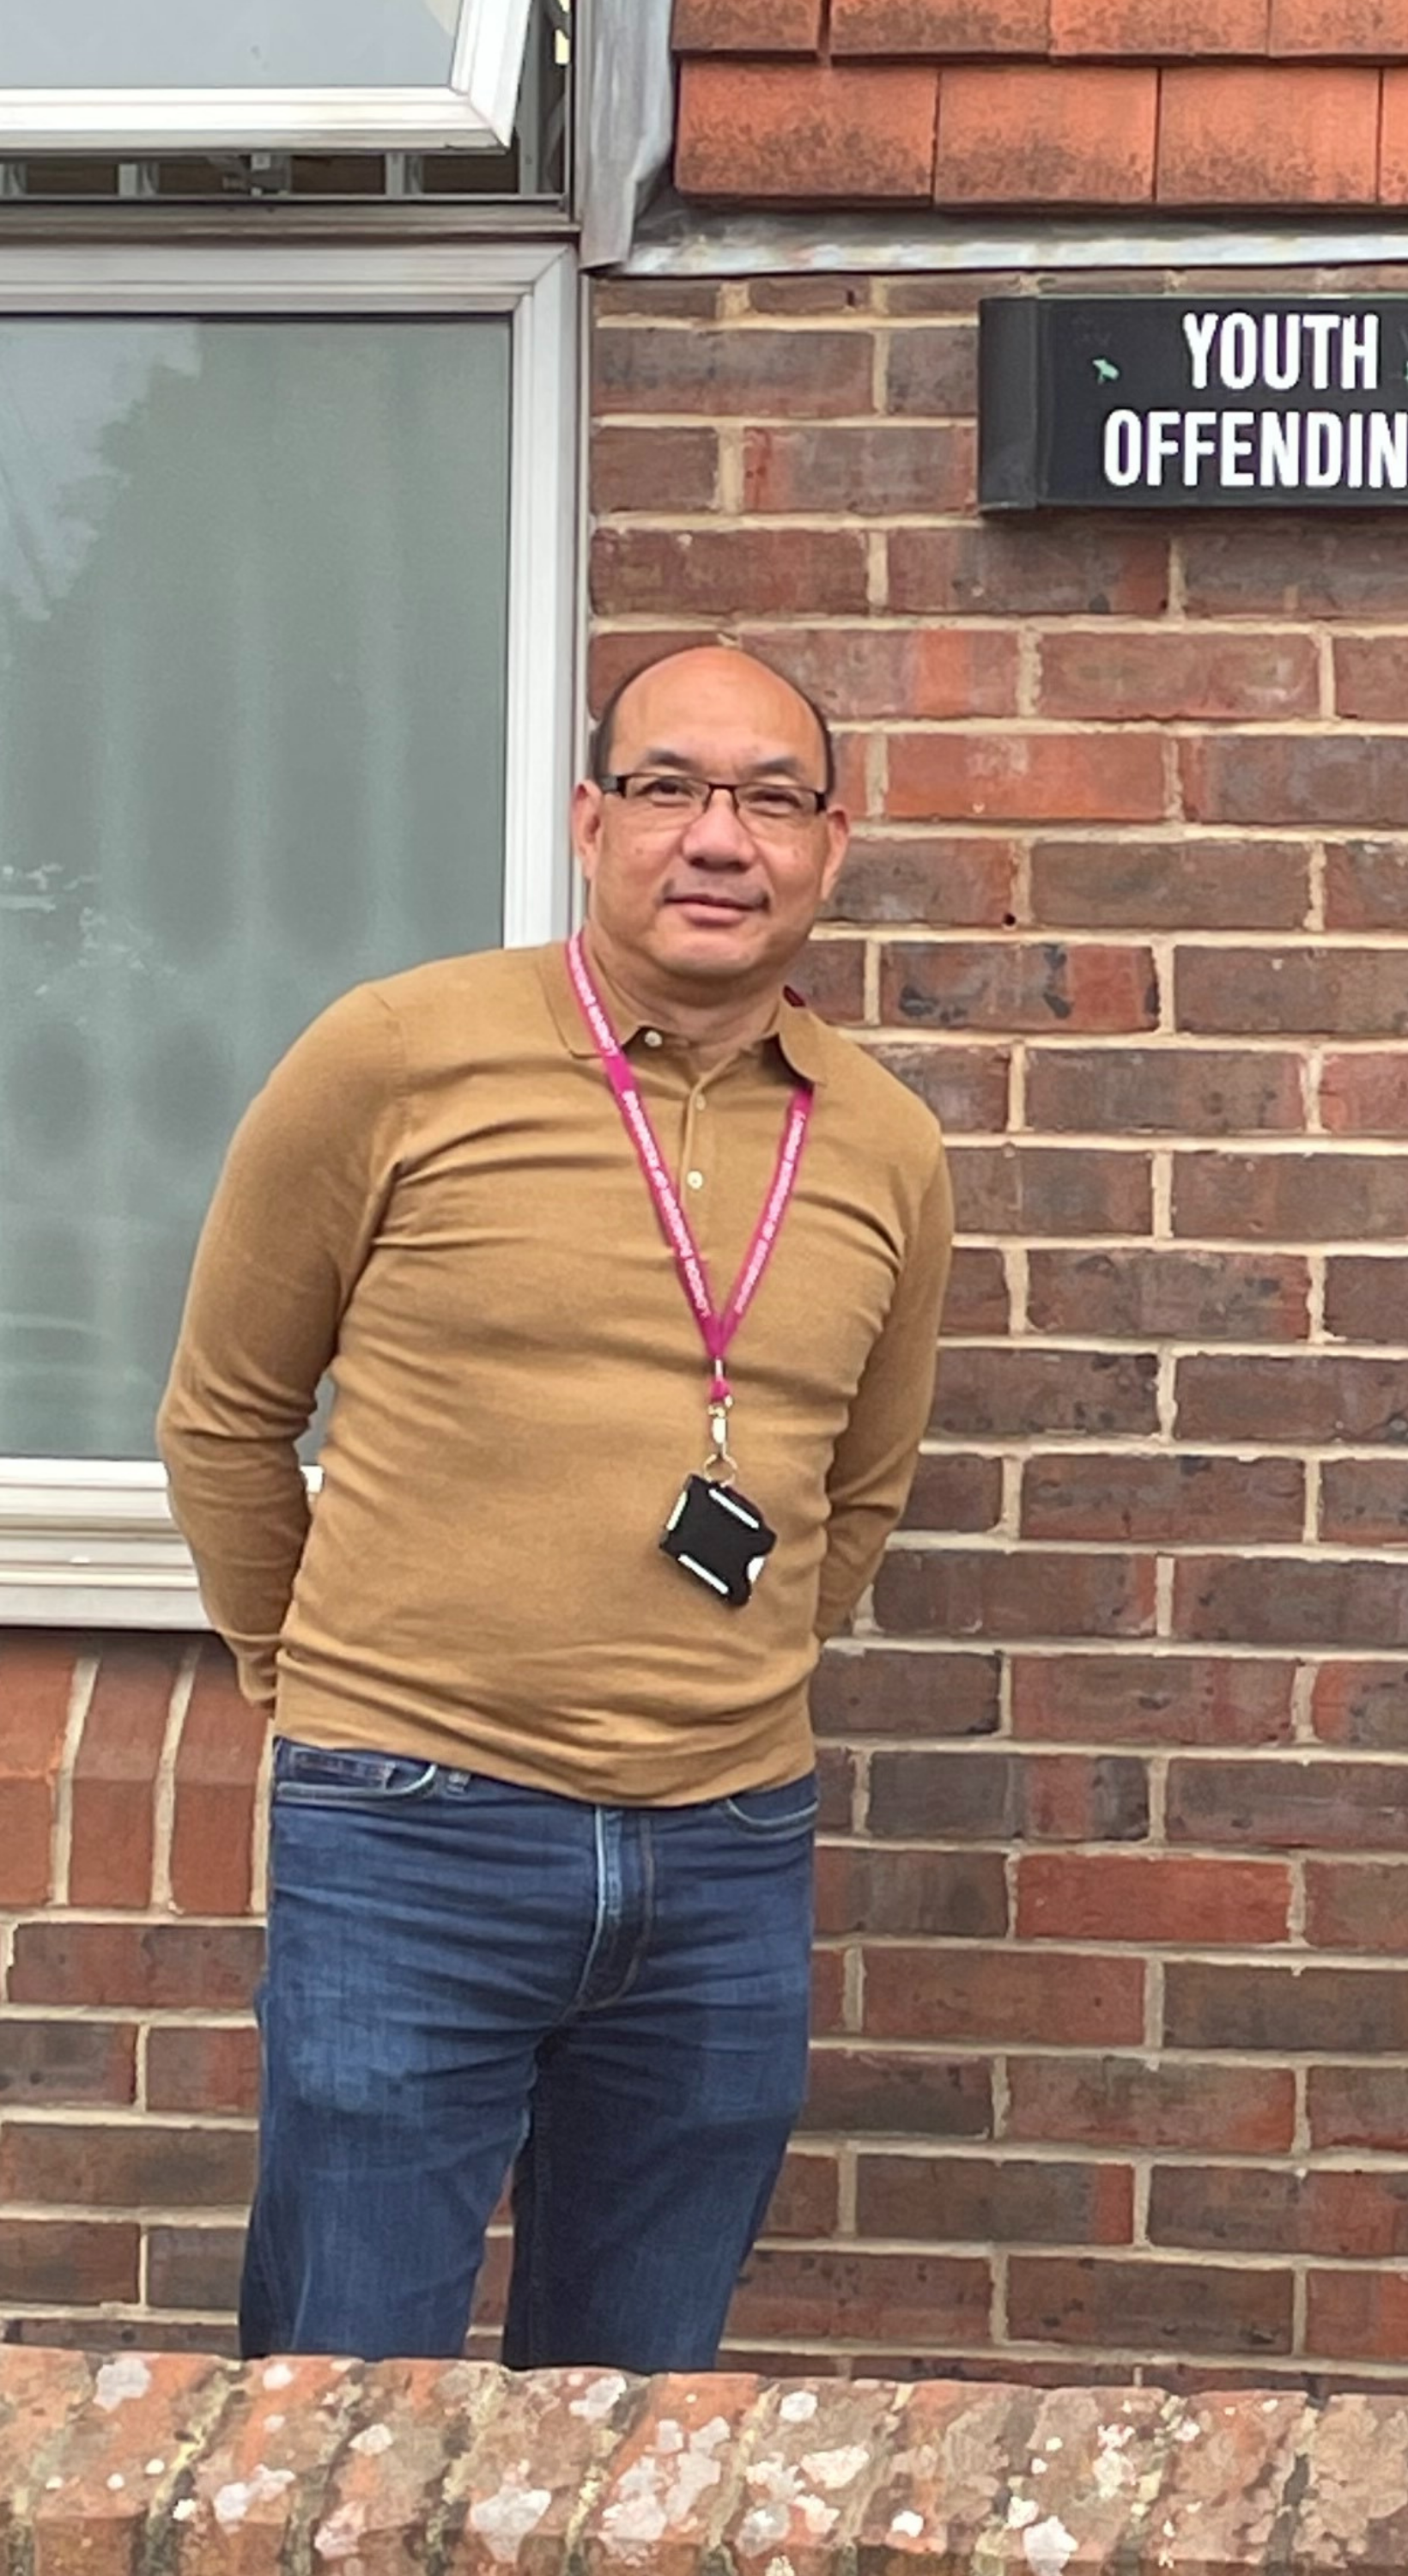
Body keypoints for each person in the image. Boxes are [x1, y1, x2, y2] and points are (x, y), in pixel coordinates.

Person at [159, 645, 953, 2371]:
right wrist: (319, 1699)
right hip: (408, 1829)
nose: (716, 838)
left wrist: (716, 1693)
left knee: (634, 2418)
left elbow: (860, 1487)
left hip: (725, 1852)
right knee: (338, 2409)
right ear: (590, 823)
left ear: (832, 841)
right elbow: (226, 1420)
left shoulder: (882, 1143)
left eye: (768, 798)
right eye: (668, 788)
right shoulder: (396, 1058)